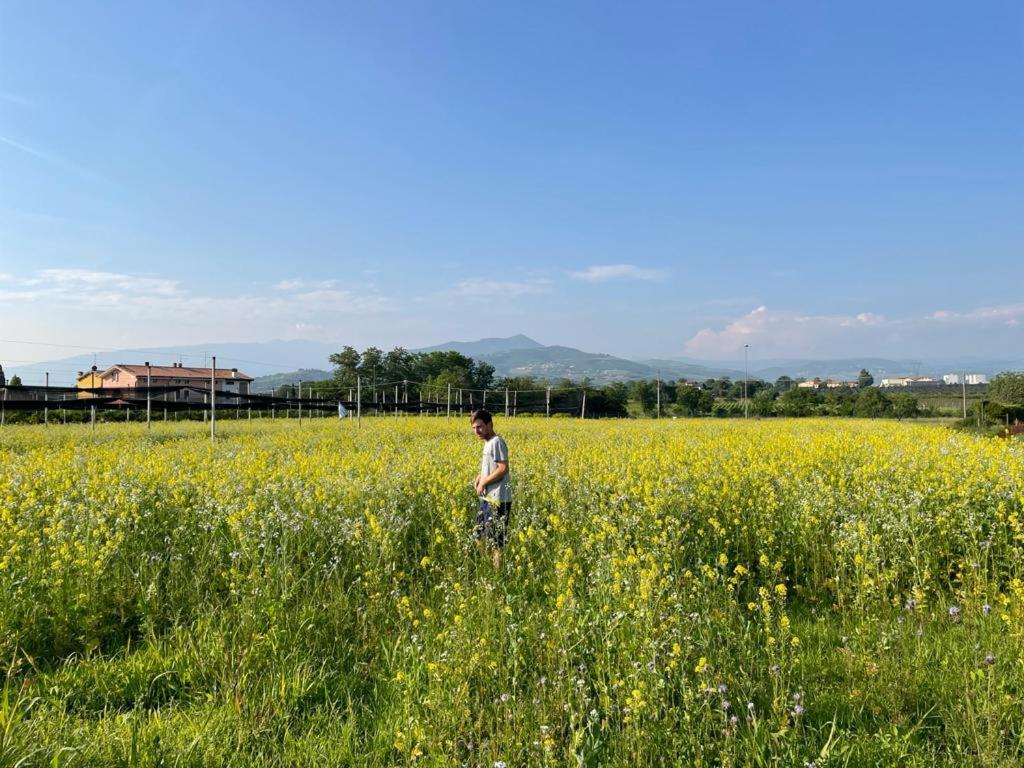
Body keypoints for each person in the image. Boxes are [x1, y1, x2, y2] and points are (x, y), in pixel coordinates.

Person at [471, 409, 510, 568]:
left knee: (497, 541)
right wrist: (480, 477)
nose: (476, 431)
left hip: (498, 499)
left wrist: (484, 482)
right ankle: (487, 566)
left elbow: (503, 468)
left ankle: (496, 573)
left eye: (479, 427)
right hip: (488, 498)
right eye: (474, 428)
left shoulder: (496, 442)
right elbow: (492, 466)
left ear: (490, 424)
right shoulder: (488, 443)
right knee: (479, 535)